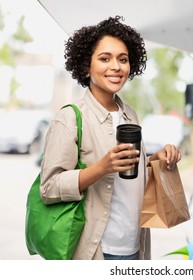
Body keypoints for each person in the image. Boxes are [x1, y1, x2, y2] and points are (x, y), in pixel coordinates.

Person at [40, 15, 181, 260]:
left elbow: (131, 178)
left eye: (123, 59)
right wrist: (102, 167)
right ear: (86, 66)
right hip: (98, 251)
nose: (116, 66)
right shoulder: (70, 118)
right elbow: (49, 187)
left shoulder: (130, 115)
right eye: (104, 58)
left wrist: (156, 159)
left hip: (136, 247)